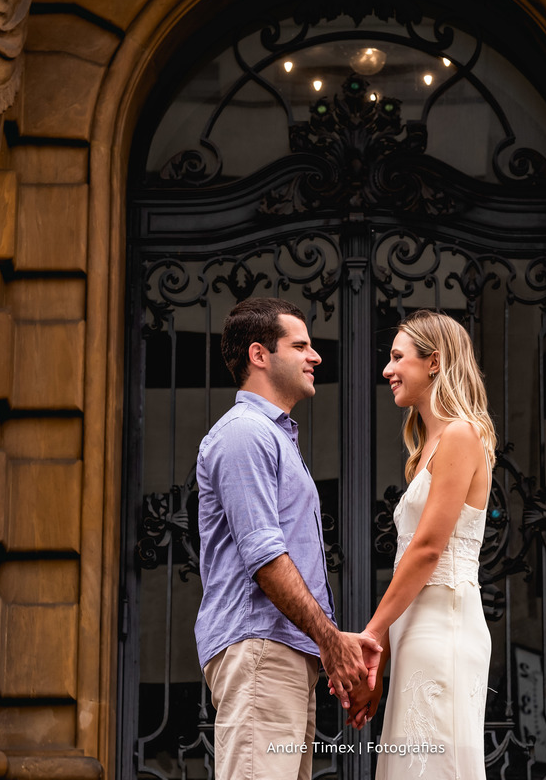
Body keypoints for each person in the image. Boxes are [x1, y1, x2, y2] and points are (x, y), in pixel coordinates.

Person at [195, 297, 381, 780]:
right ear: (260, 355)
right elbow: (265, 556)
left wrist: (330, 645)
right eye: (300, 345)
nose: (315, 356)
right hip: (261, 649)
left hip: (284, 654)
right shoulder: (245, 434)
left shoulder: (273, 437)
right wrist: (331, 642)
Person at [348, 309, 496, 779]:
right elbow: (405, 565)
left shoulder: (459, 435)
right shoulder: (423, 454)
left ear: (433, 362)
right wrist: (383, 658)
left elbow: (429, 550)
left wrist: (370, 635)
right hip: (415, 634)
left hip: (445, 631)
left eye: (397, 357)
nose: (387, 369)